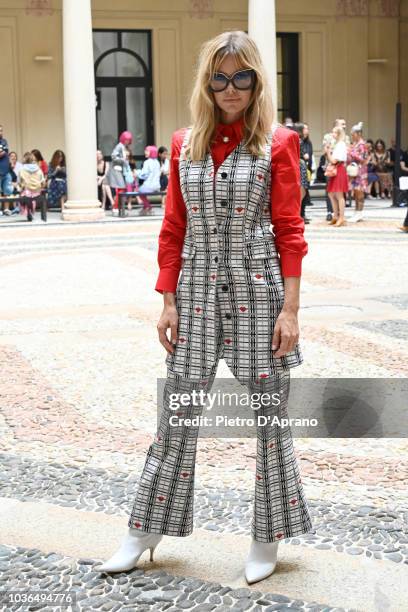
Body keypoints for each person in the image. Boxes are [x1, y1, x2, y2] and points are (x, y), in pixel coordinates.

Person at [98, 30, 313, 585]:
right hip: (193, 293)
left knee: (269, 417)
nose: (230, 88)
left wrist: (289, 310)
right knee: (179, 413)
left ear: (257, 80)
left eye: (241, 76)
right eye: (219, 77)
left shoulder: (279, 143)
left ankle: (268, 535)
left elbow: (290, 229)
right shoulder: (183, 142)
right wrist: (167, 300)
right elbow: (173, 227)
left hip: (256, 290)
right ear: (207, 83)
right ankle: (143, 531)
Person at [326, 125, 348, 226]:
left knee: (339, 194)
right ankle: (336, 216)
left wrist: (328, 152)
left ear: (339, 134)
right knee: (331, 193)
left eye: (334, 132)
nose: (332, 134)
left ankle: (341, 217)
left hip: (339, 169)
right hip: (336, 170)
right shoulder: (338, 144)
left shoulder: (341, 144)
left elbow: (334, 160)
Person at [107, 131, 133, 213]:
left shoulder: (123, 147)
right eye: (126, 139)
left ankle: (118, 207)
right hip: (116, 170)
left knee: (121, 189)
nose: (127, 141)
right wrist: (123, 160)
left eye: (129, 140)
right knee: (121, 188)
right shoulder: (119, 146)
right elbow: (113, 156)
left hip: (120, 170)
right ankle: (115, 207)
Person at [347, 122, 368, 222]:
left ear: (359, 134)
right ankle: (356, 212)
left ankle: (359, 213)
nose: (352, 136)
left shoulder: (362, 145)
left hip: (360, 172)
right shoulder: (356, 144)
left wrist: (351, 153)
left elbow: (363, 159)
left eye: (353, 134)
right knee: (355, 192)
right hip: (355, 171)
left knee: (359, 193)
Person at [19, 151, 45, 221]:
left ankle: (28, 211)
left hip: (27, 191)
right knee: (31, 196)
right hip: (37, 191)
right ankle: (30, 211)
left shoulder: (22, 169)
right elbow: (42, 180)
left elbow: (20, 181)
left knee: (22, 195)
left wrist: (21, 186)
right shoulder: (38, 169)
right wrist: (41, 186)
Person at [135, 145, 161, 216]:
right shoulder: (157, 162)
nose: (145, 152)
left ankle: (148, 207)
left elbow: (144, 175)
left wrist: (137, 173)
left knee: (138, 191)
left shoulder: (147, 162)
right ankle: (145, 207)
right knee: (141, 190)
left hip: (150, 186)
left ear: (152, 152)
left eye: (147, 151)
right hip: (157, 186)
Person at [0, 124, 13, 216]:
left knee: (7, 191)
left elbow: (5, 152)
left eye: (1, 130)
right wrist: (3, 152)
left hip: (6, 171)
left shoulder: (4, 141)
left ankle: (6, 209)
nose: (1, 132)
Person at [158, 145, 169, 210]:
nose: (165, 155)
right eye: (164, 154)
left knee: (165, 178)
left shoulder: (167, 161)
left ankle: (163, 202)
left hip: (163, 178)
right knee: (164, 178)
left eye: (166, 154)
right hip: (157, 178)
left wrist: (163, 172)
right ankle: (163, 202)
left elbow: (168, 171)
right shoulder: (157, 161)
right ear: (159, 154)